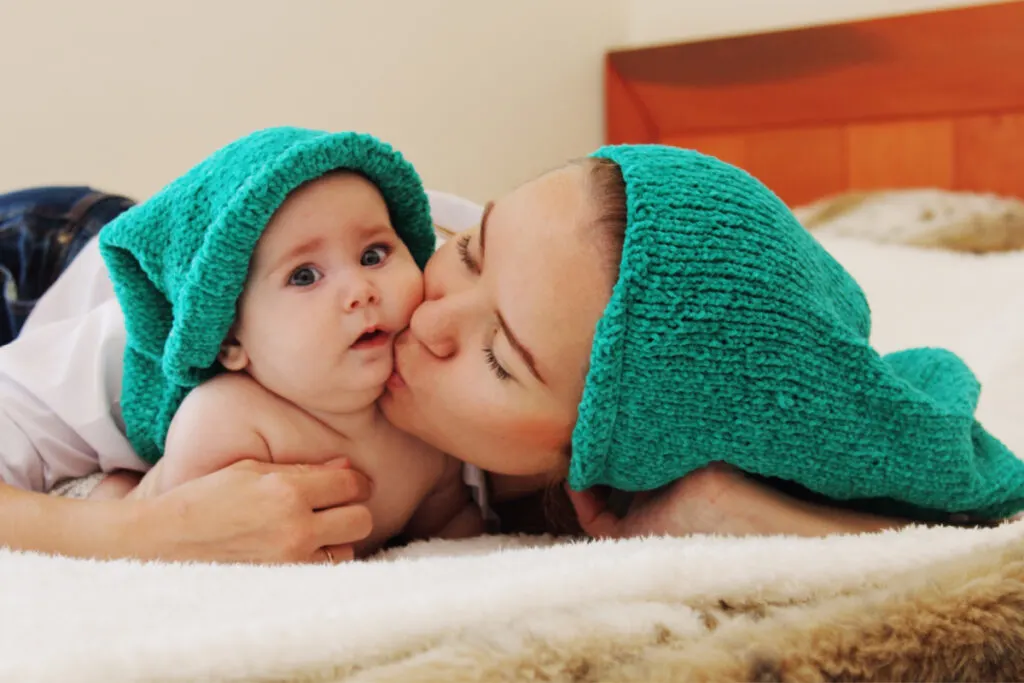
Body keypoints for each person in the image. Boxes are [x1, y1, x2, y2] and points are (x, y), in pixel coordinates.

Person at [3, 137, 1014, 565]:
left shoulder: (633, 412)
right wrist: (132, 537)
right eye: (473, 250)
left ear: (587, 451)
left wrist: (712, 510)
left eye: (500, 360)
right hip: (48, 245)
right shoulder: (211, 335)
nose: (422, 315)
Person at [86, 128, 484, 560]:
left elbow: (449, 525)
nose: (359, 289)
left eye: (374, 255)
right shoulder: (228, 420)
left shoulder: (423, 423)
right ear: (229, 342)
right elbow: (190, 543)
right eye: (304, 276)